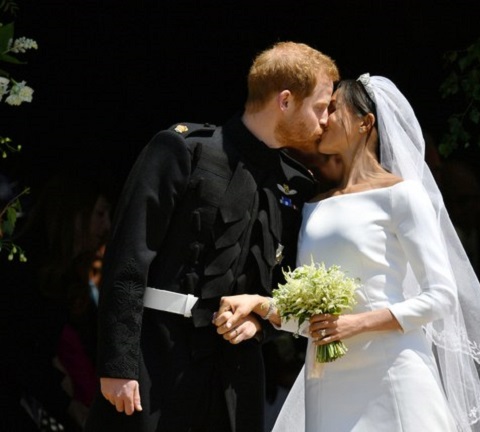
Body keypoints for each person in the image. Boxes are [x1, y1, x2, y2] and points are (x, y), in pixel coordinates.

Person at [214, 74, 480, 431]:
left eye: (332, 110)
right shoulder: (313, 204)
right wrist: (261, 304)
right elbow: (316, 320)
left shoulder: (401, 195)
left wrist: (356, 324)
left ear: (365, 122)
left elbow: (441, 297)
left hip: (393, 372)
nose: (322, 120)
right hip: (326, 380)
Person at [84, 41, 339, 432]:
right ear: (285, 101)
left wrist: (262, 324)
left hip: (237, 376)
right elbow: (129, 259)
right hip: (157, 358)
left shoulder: (295, 185)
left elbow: (286, 285)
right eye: (320, 107)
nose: (325, 121)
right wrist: (118, 365)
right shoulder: (183, 149)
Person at [1, 171, 112, 432]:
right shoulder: (22, 270)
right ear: (73, 215)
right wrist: (66, 402)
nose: (107, 226)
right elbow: (19, 354)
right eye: (99, 214)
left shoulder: (65, 276)